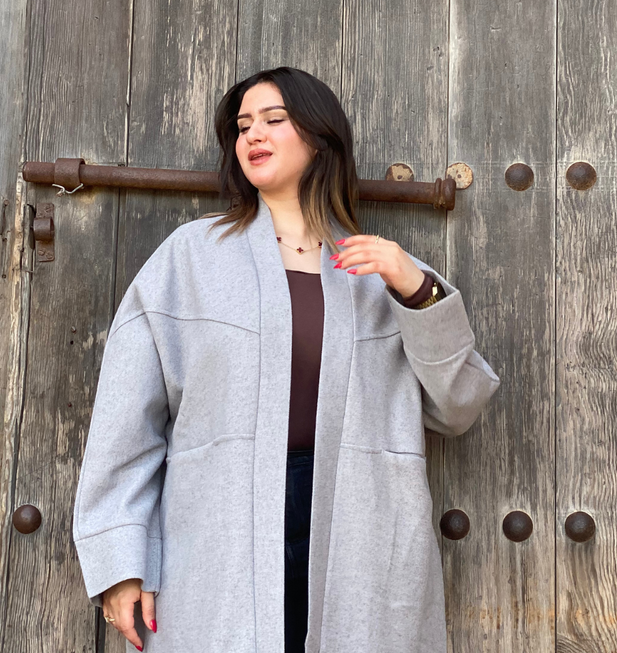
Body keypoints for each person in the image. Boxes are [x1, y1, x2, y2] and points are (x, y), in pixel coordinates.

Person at [71, 67, 499, 652]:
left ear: (319, 138)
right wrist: (121, 561)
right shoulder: (189, 259)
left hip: (357, 523)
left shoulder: (382, 272)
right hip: (222, 525)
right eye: (243, 125)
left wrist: (416, 289)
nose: (253, 134)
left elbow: (460, 406)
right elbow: (126, 423)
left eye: (274, 119)